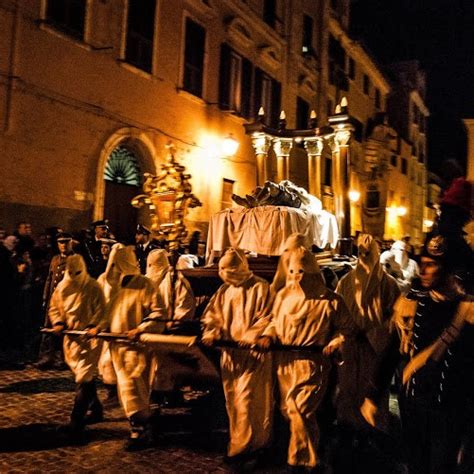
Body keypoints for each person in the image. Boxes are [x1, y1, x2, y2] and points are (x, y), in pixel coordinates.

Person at [361, 234, 474, 474]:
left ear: (450, 270)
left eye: (431, 265)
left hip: (452, 410)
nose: (422, 270)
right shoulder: (411, 304)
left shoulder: (469, 311)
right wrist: (372, 395)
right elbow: (391, 351)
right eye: (421, 262)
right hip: (414, 405)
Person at [258, 245, 355, 472]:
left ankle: (300, 461)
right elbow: (274, 322)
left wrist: (334, 343)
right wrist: (268, 336)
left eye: (301, 272)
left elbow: (347, 329)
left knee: (301, 409)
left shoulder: (330, 301)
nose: (296, 277)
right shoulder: (283, 297)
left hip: (312, 364)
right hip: (285, 363)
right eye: (292, 272)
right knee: (289, 410)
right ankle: (313, 454)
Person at [202, 248, 273, 467]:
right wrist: (212, 333)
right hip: (231, 355)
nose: (223, 273)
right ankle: (238, 443)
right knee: (233, 400)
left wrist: (252, 336)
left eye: (227, 268)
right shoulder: (225, 291)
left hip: (253, 356)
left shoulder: (261, 288)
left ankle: (254, 446)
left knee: (250, 401)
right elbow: (212, 316)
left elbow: (268, 317)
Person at [335, 234, 400, 430]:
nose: (364, 257)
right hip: (351, 343)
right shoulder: (346, 282)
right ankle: (348, 426)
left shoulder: (388, 284)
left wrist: (377, 332)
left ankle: (371, 430)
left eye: (367, 253)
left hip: (374, 345)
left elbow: (393, 316)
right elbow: (338, 309)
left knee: (372, 386)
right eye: (360, 253)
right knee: (349, 387)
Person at [105, 246, 166, 451]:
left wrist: (141, 329)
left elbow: (158, 313)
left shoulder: (145, 285)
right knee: (125, 390)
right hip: (117, 347)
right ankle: (141, 424)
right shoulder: (113, 287)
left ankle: (140, 429)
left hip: (137, 348)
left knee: (134, 388)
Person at [49, 254, 106, 443]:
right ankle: (97, 409)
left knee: (84, 377)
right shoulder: (62, 287)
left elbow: (101, 310)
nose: (74, 276)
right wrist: (58, 322)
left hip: (90, 341)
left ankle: (76, 421)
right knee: (84, 377)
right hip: (72, 340)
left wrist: (94, 326)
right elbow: (55, 307)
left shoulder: (93, 287)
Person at [146, 249, 196, 405]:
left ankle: (171, 394)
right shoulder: (147, 283)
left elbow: (185, 303)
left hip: (170, 329)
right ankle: (156, 394)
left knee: (168, 366)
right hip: (153, 330)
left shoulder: (175, 281)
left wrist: (175, 322)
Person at [35, 232, 75, 369]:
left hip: (66, 301)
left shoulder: (75, 259)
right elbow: (49, 279)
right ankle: (46, 358)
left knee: (64, 331)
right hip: (53, 300)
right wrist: (46, 296)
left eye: (66, 242)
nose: (63, 245)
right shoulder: (55, 259)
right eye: (60, 243)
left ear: (71, 243)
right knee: (48, 329)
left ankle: (62, 359)